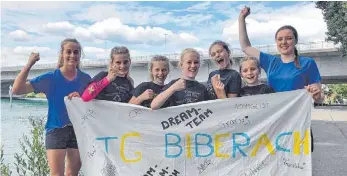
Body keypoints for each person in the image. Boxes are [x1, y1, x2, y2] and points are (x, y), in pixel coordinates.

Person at [239, 6, 324, 152]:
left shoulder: (308, 63)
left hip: (298, 122)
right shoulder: (271, 62)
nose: (284, 42)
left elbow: (320, 97)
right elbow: (246, 47)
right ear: (276, 42)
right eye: (280, 39)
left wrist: (316, 95)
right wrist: (241, 19)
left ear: (295, 41)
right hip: (275, 123)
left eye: (289, 38)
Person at [12, 38, 91, 176]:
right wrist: (29, 64)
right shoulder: (50, 78)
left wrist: (82, 98)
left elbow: (93, 103)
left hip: (78, 130)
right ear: (62, 54)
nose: (72, 55)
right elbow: (17, 90)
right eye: (69, 52)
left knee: (73, 173)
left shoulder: (86, 79)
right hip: (56, 129)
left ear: (80, 55)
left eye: (76, 52)